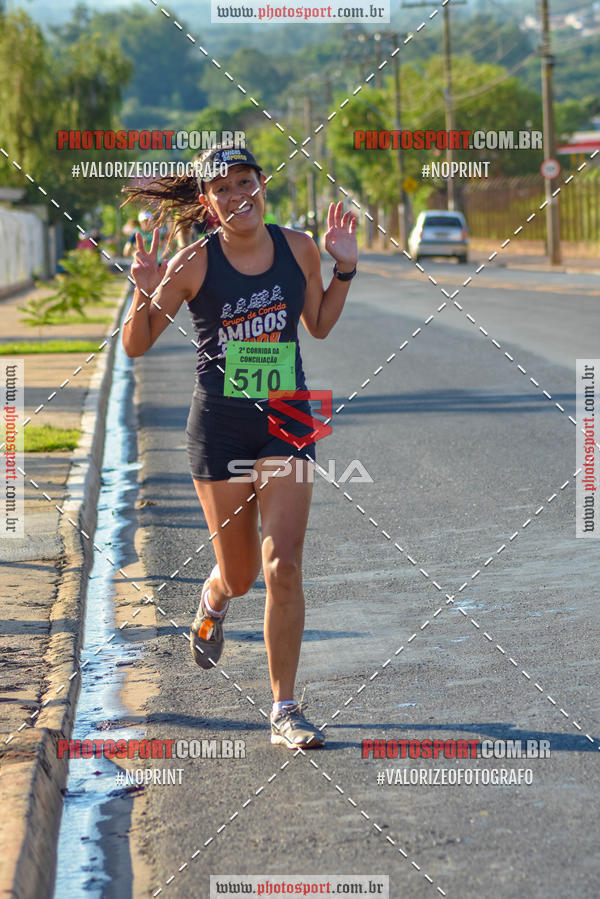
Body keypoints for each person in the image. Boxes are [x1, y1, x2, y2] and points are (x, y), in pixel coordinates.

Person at [121, 145, 357, 749]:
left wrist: (344, 271)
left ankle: (284, 708)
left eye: (245, 181)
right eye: (221, 188)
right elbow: (136, 346)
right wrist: (143, 294)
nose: (236, 195)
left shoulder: (300, 246)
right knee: (244, 574)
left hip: (286, 416)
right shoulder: (193, 262)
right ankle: (215, 592)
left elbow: (321, 325)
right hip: (220, 424)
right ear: (206, 202)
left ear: (262, 186)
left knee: (284, 564)